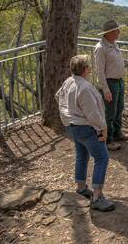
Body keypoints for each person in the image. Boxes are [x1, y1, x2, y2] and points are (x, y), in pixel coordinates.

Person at [55, 55, 115, 211]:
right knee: (102, 157)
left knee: (82, 154)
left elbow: (58, 97)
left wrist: (69, 114)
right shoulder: (85, 88)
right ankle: (97, 197)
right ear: (86, 69)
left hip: (72, 126)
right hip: (86, 127)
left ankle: (81, 187)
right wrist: (103, 128)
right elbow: (93, 114)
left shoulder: (68, 82)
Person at [94, 19, 128, 151]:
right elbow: (99, 71)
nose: (119, 32)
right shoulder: (100, 48)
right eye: (116, 30)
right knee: (109, 112)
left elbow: (119, 60)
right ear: (109, 33)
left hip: (119, 81)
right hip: (110, 83)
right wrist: (106, 89)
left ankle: (117, 133)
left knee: (119, 109)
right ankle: (108, 140)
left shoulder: (114, 44)